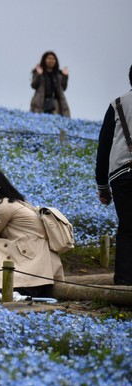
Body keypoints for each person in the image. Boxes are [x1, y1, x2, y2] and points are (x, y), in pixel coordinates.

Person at [0, 168, 64, 297]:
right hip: (37, 261)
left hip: (33, 266)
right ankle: (2, 285)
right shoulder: (15, 202)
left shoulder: (4, 208)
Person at [95, 65, 132, 286]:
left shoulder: (117, 104)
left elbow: (104, 146)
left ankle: (124, 284)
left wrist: (102, 186)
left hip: (123, 175)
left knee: (128, 228)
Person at [30, 51, 70, 118]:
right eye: (49, 58)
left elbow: (64, 87)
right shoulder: (39, 72)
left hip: (55, 103)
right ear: (44, 60)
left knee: (55, 121)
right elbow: (34, 85)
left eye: (53, 59)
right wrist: (38, 75)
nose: (51, 61)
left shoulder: (58, 74)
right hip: (41, 102)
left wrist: (65, 76)